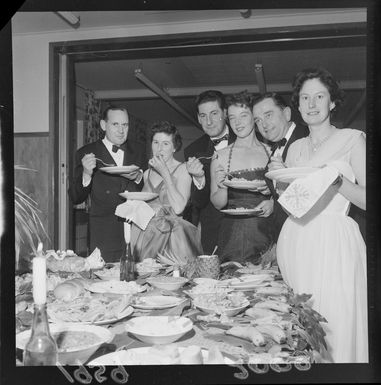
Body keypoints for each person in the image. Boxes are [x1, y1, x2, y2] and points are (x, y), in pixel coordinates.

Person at [276, 67, 367, 362]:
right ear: (298, 106)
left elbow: (368, 200)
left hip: (334, 243)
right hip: (296, 240)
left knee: (335, 326)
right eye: (305, 98)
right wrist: (279, 183)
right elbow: (292, 204)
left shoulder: (353, 140)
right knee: (302, 328)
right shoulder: (295, 149)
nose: (312, 104)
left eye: (319, 96)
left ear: (332, 102)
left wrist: (337, 181)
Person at [68, 105, 147, 262]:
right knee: (103, 281)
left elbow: (145, 187)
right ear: (104, 125)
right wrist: (86, 174)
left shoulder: (138, 150)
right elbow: (76, 197)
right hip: (103, 230)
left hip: (136, 227)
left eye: (125, 125)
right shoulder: (86, 152)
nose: (121, 130)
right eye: (115, 124)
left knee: (134, 280)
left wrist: (138, 178)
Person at [209, 91, 275, 264]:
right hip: (232, 236)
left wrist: (273, 203)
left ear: (254, 116)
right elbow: (217, 203)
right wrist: (222, 186)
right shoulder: (220, 156)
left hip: (267, 232)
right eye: (232, 118)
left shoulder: (272, 152)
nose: (237, 123)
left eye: (243, 115)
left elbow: (285, 193)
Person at [130, 121, 203, 275]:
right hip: (146, 237)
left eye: (165, 143)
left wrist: (165, 173)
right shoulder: (147, 173)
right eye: (156, 142)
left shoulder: (183, 169)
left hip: (173, 238)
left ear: (174, 147)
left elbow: (178, 207)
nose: (159, 148)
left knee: (174, 284)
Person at [184, 90, 236, 254]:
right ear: (198, 118)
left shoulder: (246, 138)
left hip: (244, 226)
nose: (209, 121)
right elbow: (198, 203)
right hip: (212, 231)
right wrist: (199, 179)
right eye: (203, 115)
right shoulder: (193, 150)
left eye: (214, 113)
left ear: (225, 113)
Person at [252, 92, 309, 239]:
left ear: (287, 113)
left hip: (307, 233)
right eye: (258, 120)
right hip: (285, 234)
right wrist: (273, 202)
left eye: (268, 115)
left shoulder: (308, 138)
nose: (263, 125)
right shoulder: (276, 148)